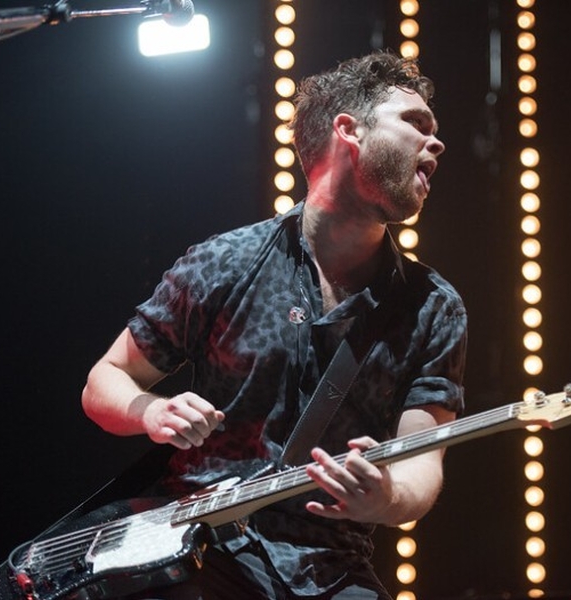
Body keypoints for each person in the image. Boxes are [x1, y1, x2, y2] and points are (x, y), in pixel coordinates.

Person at [81, 50, 467, 600]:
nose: (437, 143)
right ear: (349, 130)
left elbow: (421, 464)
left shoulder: (432, 307)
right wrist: (153, 411)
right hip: (196, 550)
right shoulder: (226, 262)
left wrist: (386, 496)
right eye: (416, 123)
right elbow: (105, 381)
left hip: (328, 566)